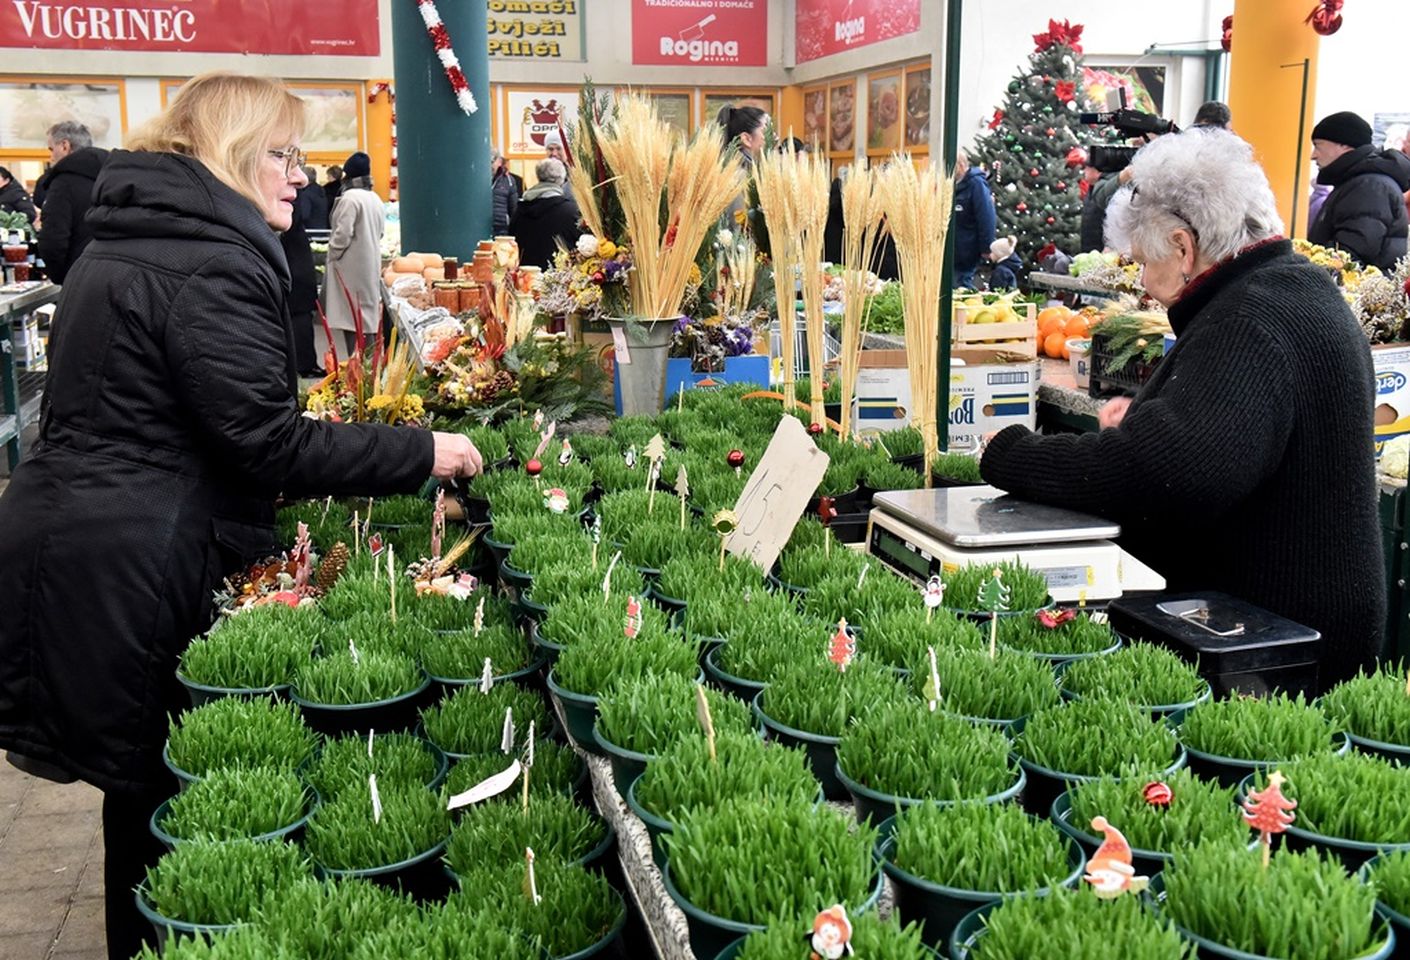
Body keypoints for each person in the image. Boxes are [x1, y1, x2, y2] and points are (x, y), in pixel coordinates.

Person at [0, 72, 482, 960]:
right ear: (228, 152)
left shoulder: (136, 235)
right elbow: (266, 444)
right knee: (163, 804)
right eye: (281, 154)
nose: (300, 176)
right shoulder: (210, 259)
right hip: (138, 563)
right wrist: (424, 452)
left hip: (86, 541)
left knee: (142, 793)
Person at [979, 127, 1384, 690]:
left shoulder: (1250, 318)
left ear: (1183, 246)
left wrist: (1010, 453)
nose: (1144, 284)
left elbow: (1166, 475)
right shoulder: (1298, 291)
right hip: (1288, 633)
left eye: (1145, 262)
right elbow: (1225, 444)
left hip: (1270, 654)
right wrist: (1152, 425)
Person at [1307, 111, 1410, 272]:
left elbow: (1348, 258)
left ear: (1344, 145)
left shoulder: (1369, 186)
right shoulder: (1359, 182)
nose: (1313, 156)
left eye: (1318, 145)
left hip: (1353, 294)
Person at [322, 151, 384, 356]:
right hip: (370, 264)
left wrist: (332, 254)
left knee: (352, 318)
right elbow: (381, 232)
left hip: (351, 267)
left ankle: (357, 368)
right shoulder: (374, 198)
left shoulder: (349, 199)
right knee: (367, 318)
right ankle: (371, 367)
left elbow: (342, 234)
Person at [36, 121, 110, 283]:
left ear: (64, 145)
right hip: (115, 273)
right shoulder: (113, 176)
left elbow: (53, 238)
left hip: (78, 276)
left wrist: (60, 276)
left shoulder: (64, 182)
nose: (50, 156)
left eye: (51, 149)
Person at [282, 173, 323, 377]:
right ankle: (305, 363)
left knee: (299, 322)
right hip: (300, 271)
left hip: (295, 273)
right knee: (301, 322)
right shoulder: (294, 203)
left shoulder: (288, 209)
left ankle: (304, 364)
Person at [509, 158, 582, 270]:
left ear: (538, 176)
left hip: (525, 277)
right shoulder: (570, 211)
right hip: (558, 280)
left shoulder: (520, 209)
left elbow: (512, 240)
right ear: (561, 180)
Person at [952, 149, 996, 290]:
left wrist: (986, 247)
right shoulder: (953, 185)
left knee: (962, 287)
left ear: (960, 166)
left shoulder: (976, 184)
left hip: (967, 252)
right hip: (953, 252)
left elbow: (986, 216)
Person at [1079, 147, 1130, 252]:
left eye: (1086, 168)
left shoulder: (1107, 186)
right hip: (1092, 248)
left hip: (1106, 250)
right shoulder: (1092, 187)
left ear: (1096, 170)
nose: (1084, 171)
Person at [491, 148, 519, 236]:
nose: (489, 165)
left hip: (502, 231)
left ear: (499, 161)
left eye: (492, 162)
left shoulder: (509, 180)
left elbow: (514, 209)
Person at [541, 130, 574, 201]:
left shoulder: (575, 174)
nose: (554, 153)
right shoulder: (543, 172)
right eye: (550, 149)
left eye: (559, 149)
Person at [298, 164, 329, 231]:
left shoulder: (306, 194)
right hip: (321, 229)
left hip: (309, 231)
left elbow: (304, 215)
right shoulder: (321, 191)